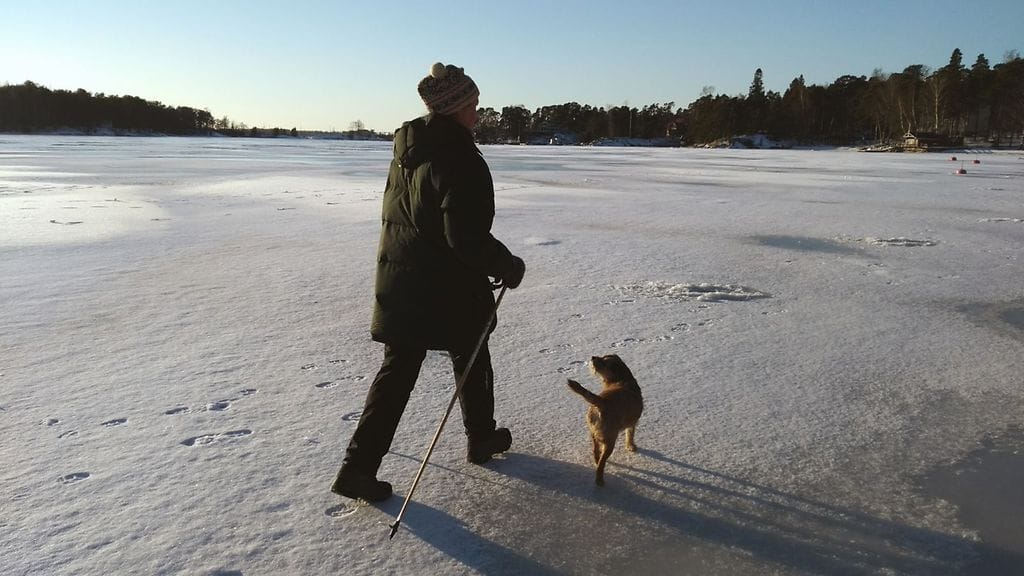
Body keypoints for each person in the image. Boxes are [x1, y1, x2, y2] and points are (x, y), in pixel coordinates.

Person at [331, 62, 526, 502]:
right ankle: (475, 438)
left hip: (404, 276)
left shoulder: (411, 144)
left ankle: (364, 467)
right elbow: (465, 236)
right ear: (455, 108)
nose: (478, 112)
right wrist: (506, 264)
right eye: (473, 105)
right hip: (443, 282)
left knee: (421, 363)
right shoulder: (455, 154)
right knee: (466, 350)